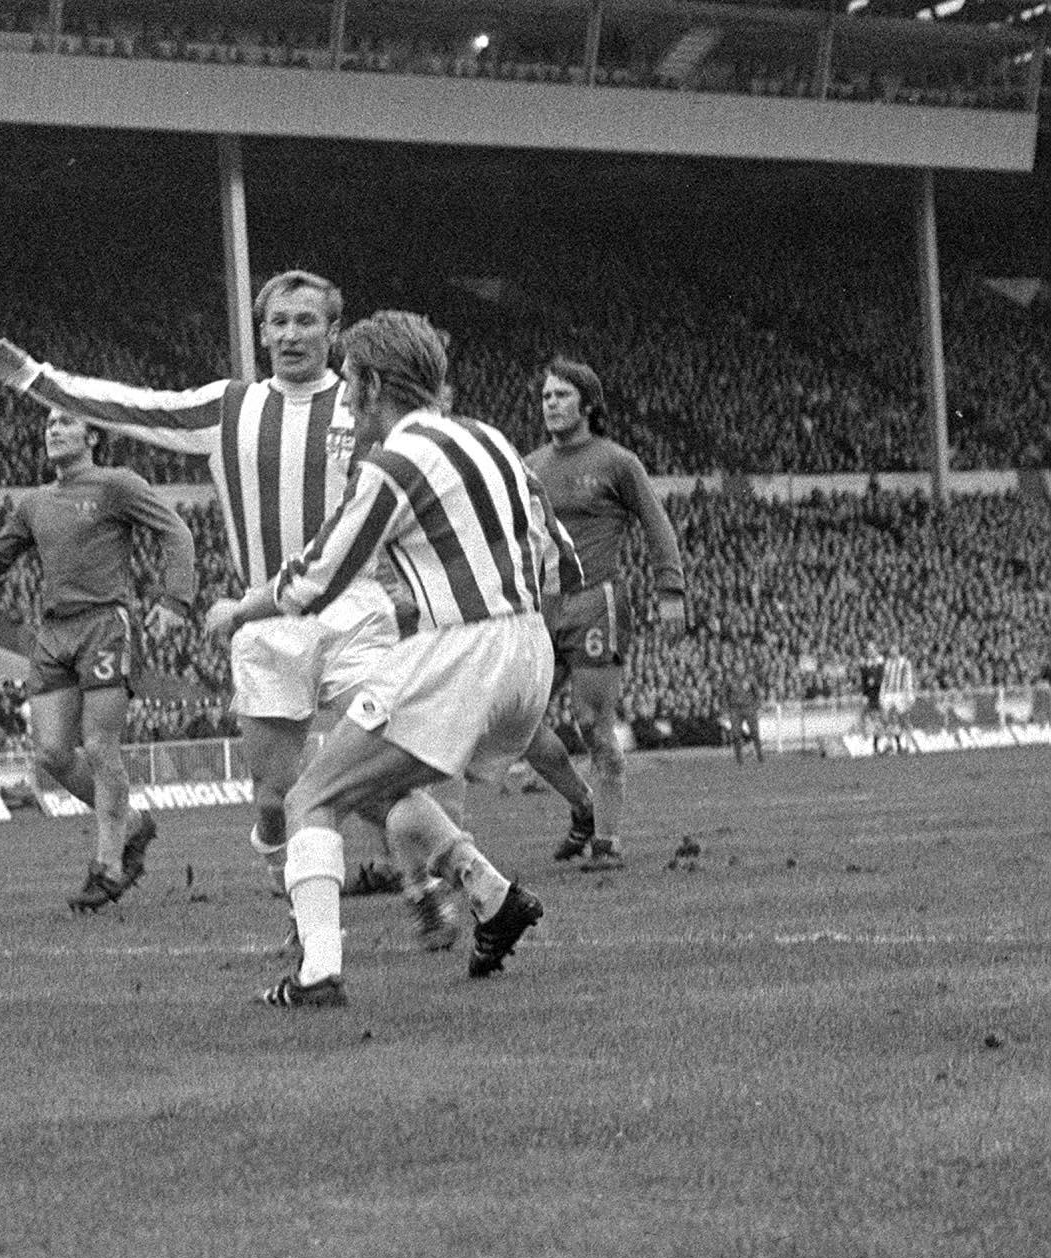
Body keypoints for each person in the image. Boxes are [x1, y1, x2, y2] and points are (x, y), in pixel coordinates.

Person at [0, 270, 409, 904]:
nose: (290, 334)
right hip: (267, 617)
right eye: (278, 322)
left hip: (355, 610)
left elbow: (421, 478)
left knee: (389, 757)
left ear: (334, 332)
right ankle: (301, 881)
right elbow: (132, 406)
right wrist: (35, 378)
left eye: (306, 321)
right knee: (277, 794)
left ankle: (441, 885)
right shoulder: (229, 407)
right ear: (261, 332)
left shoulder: (364, 409)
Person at [203, 310, 579, 1007]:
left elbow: (320, 576)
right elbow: (563, 558)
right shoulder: (494, 439)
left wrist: (240, 610)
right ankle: (493, 899)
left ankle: (318, 974)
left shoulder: (394, 462)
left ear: (374, 383)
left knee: (312, 795)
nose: (344, 400)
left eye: (349, 383)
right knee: (375, 786)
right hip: (530, 653)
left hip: (463, 650)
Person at [0, 416, 195, 910]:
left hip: (104, 625)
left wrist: (176, 601)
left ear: (93, 438)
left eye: (66, 421)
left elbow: (176, 532)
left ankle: (108, 867)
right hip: (52, 633)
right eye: (47, 422)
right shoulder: (34, 503)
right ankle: (131, 825)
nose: (53, 429)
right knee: (51, 753)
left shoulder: (117, 485)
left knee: (100, 746)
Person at [523, 359, 686, 871]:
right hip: (544, 606)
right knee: (515, 719)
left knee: (592, 722)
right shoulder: (529, 467)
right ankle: (583, 806)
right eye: (546, 396)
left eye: (562, 395)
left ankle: (608, 841)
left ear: (588, 405)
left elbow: (656, 524)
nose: (551, 403)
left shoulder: (617, 462)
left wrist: (671, 589)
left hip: (599, 601)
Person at [722, 666, 764, 763]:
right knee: (736, 734)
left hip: (749, 708)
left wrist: (758, 706)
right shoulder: (730, 680)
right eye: (737, 666)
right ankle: (739, 759)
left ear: (744, 667)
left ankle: (760, 755)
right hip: (735, 709)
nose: (739, 669)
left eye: (741, 666)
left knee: (754, 732)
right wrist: (726, 709)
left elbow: (757, 693)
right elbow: (724, 695)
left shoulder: (750, 678)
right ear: (734, 668)